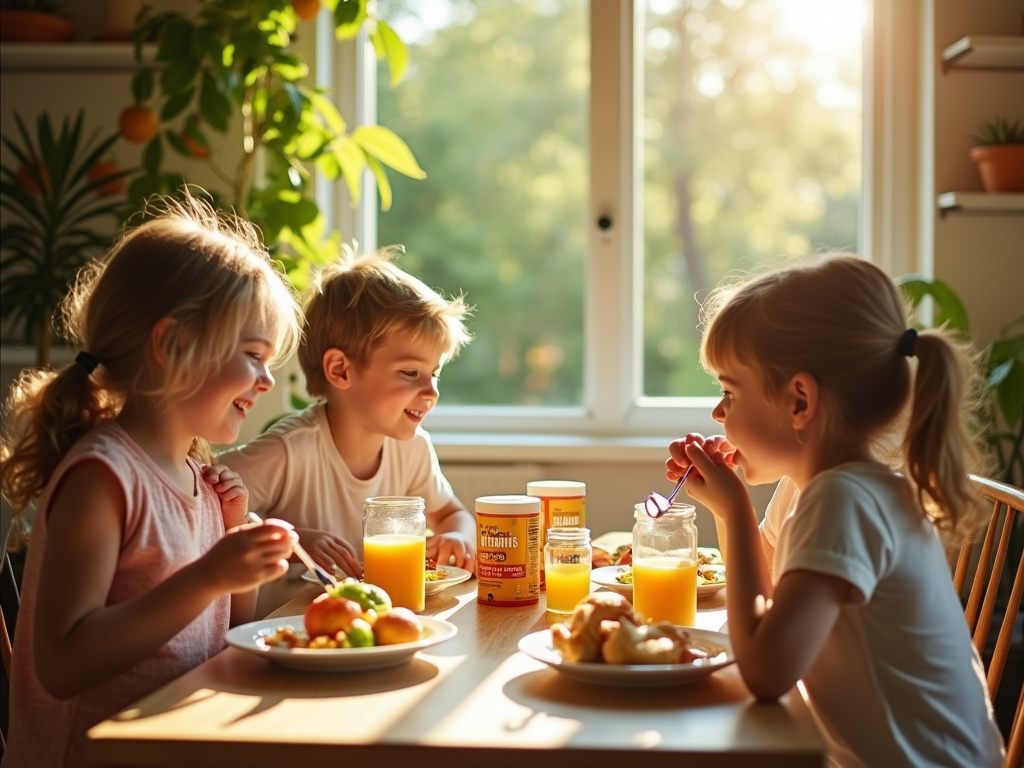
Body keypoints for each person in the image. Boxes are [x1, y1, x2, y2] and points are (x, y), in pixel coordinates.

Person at [662, 255, 1005, 768]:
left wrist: (735, 509)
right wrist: (723, 504)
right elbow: (777, 603)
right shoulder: (829, 489)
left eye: (729, 390)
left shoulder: (842, 502)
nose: (718, 412)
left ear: (800, 401)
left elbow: (766, 672)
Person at [0, 196, 302, 768]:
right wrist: (211, 574)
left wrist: (241, 568)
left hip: (178, 740)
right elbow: (62, 665)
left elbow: (227, 632)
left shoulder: (196, 477)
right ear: (171, 345)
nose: (266, 380)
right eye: (253, 355)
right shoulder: (102, 478)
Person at [219, 245, 476, 610]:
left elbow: (452, 513)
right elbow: (206, 507)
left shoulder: (414, 448)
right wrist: (292, 542)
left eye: (434, 374)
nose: (431, 391)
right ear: (340, 370)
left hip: (369, 627)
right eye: (410, 372)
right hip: (290, 635)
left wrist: (458, 536)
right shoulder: (291, 449)